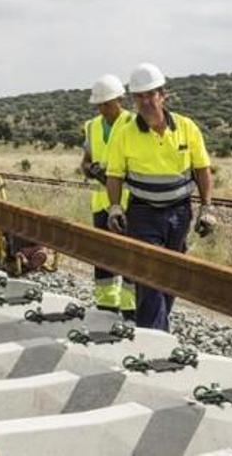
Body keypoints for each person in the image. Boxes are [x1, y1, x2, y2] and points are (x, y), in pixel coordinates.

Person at [105, 63, 216, 331]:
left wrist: (207, 208)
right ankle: (154, 337)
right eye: (139, 97)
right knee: (150, 273)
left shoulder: (187, 128)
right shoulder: (125, 133)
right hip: (143, 213)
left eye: (150, 95)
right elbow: (115, 174)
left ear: (162, 95)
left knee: (172, 274)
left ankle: (158, 325)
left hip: (179, 212)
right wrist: (116, 207)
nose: (145, 102)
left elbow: (202, 170)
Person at [81, 74, 137, 320]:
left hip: (127, 202)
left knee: (128, 257)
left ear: (120, 100)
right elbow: (85, 160)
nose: (102, 109)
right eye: (99, 105)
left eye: (107, 103)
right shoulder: (92, 126)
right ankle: (106, 308)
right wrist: (90, 169)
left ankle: (131, 309)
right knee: (102, 257)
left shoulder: (134, 124)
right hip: (101, 204)